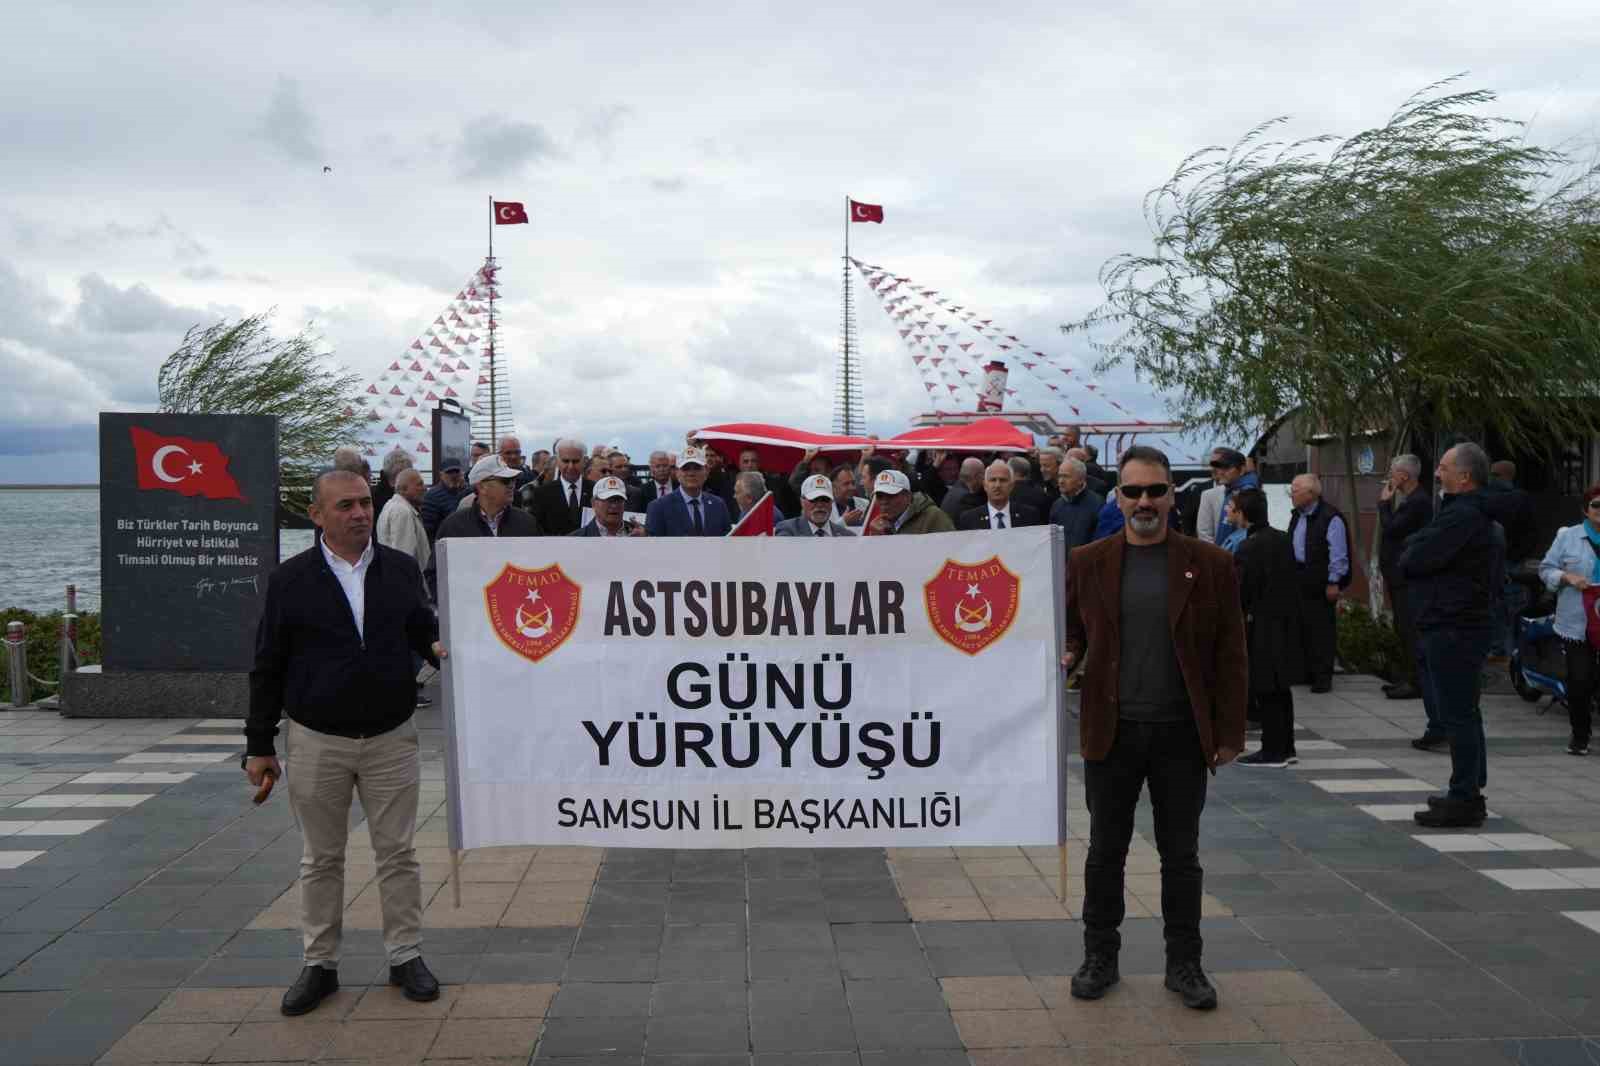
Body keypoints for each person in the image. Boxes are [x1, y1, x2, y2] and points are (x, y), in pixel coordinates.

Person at [245, 469, 445, 1016]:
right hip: (316, 739)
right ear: (317, 515)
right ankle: (319, 965)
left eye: (365, 503)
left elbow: (421, 633)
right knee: (320, 859)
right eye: (346, 506)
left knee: (398, 854)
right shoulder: (291, 580)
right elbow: (267, 665)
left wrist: (442, 649)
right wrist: (258, 744)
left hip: (391, 737)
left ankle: (406, 956)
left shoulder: (401, 570)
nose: (359, 513)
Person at [1060, 445, 1246, 1011]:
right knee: (1104, 853)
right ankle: (1100, 958)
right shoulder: (1088, 561)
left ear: (1172, 496)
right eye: (1133, 491)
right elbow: (1071, 632)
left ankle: (1185, 965)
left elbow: (1231, 654)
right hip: (1110, 732)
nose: (1145, 501)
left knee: (1181, 855)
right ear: (1117, 496)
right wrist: (1068, 653)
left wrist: (1228, 733)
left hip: (1181, 735)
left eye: (1155, 491)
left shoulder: (1209, 564)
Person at [1402, 443, 1504, 827]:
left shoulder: (1463, 515)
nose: (1437, 474)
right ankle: (1468, 788)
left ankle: (1464, 797)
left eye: (1443, 468)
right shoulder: (1464, 514)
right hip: (1460, 622)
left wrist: (1415, 550)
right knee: (1466, 712)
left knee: (1457, 714)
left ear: (1465, 477)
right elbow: (1418, 549)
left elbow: (1414, 558)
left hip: (1454, 625)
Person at [1232, 488, 1303, 767]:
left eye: (1233, 508)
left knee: (1266, 687)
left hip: (1262, 624)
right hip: (1285, 621)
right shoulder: (1282, 539)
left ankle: (1273, 750)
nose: (1229, 512)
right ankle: (1286, 747)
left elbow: (1242, 591)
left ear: (1244, 514)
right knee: (1280, 688)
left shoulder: (1249, 547)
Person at [1537, 485, 1600, 755]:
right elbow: (1546, 569)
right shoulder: (1568, 537)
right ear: (1586, 509)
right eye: (1597, 505)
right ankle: (1580, 736)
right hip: (1577, 622)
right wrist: (1567, 578)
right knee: (1579, 680)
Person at [1287, 474, 1352, 692]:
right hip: (1298, 577)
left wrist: (1334, 581)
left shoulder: (1330, 517)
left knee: (1321, 629)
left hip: (1320, 580)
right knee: (1301, 626)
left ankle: (1323, 676)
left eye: (1295, 491)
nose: (1291, 495)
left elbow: (1338, 553)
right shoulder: (1297, 515)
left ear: (1311, 494)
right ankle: (1306, 671)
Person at [1378, 455, 1432, 704]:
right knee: (1402, 626)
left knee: (1409, 628)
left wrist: (1384, 505)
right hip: (1396, 574)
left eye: (1393, 471)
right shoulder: (1411, 500)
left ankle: (1416, 681)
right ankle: (1408, 676)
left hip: (1406, 576)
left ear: (1404, 476)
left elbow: (1392, 529)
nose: (1390, 476)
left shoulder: (1418, 502)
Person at [1484, 460, 1538, 657]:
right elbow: (1532, 533)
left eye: (1493, 474)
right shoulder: (1521, 498)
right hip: (1511, 562)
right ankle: (1512, 651)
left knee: (1499, 606)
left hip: (1497, 561)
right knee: (1511, 607)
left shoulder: (1487, 497)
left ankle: (1501, 649)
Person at [646, 447, 733, 536]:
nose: (691, 473)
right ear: (677, 472)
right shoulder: (658, 507)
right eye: (686, 468)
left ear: (706, 471)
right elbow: (654, 547)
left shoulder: (718, 505)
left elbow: (727, 542)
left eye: (697, 468)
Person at [530, 438, 593, 536]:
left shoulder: (595, 490)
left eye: (575, 461)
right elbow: (537, 531)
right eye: (566, 461)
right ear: (557, 461)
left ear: (584, 461)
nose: (571, 466)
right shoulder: (542, 493)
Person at [959, 459, 1042, 530]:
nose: (997, 485)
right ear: (985, 485)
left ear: (1012, 485)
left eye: (1003, 480)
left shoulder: (1030, 515)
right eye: (993, 480)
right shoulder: (969, 519)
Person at [867, 469, 954, 535]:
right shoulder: (879, 523)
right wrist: (876, 538)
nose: (884, 502)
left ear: (908, 496)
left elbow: (951, 550)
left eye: (891, 495)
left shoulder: (933, 517)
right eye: (879, 496)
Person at [377, 468, 430, 574]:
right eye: (419, 484)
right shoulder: (402, 511)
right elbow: (404, 556)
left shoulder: (391, 506)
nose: (425, 488)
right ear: (403, 489)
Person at [1051, 457, 1103, 553]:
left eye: (1066, 476)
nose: (1061, 481)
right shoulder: (1057, 505)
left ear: (1081, 479)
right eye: (1059, 476)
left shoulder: (1097, 504)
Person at [777, 475, 849, 537]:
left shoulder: (847, 536)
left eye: (825, 499)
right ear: (802, 501)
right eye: (814, 499)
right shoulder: (788, 530)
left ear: (832, 502)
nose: (820, 504)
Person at [575, 476, 644, 537]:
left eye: (619, 500)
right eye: (608, 500)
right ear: (593, 503)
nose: (614, 505)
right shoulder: (576, 538)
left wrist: (647, 541)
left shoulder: (640, 534)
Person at [419, 461, 467, 543]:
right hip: (444, 543)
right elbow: (428, 529)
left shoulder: (465, 491)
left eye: (456, 472)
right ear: (441, 475)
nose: (454, 475)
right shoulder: (432, 496)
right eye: (449, 472)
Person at [1193, 449, 1227, 544]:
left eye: (1218, 464)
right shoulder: (1202, 492)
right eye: (1212, 464)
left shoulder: (1242, 491)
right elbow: (1189, 520)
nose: (1214, 468)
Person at [373, 447, 414, 517]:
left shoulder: (374, 493)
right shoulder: (376, 497)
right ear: (400, 472)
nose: (412, 475)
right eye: (410, 471)